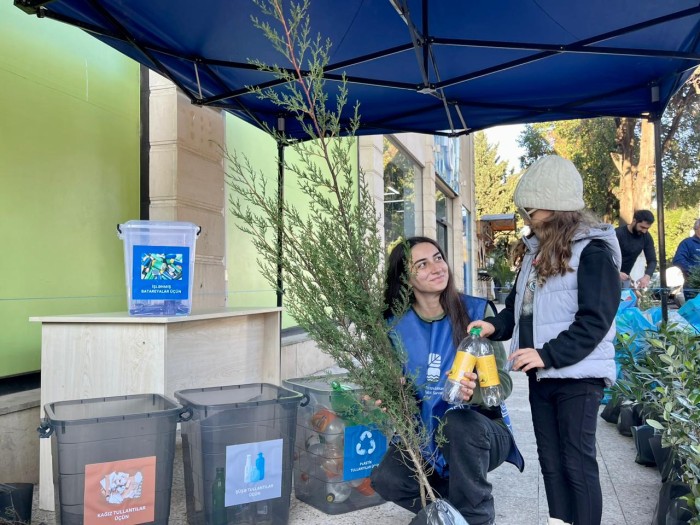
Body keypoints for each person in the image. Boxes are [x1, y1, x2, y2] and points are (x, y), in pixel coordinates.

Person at [468, 155, 621, 525]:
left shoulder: (594, 252)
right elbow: (519, 311)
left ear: (558, 210)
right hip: (543, 374)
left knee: (576, 463)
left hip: (578, 377)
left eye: (532, 212)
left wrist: (546, 354)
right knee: (551, 463)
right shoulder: (536, 254)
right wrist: (494, 326)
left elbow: (594, 321)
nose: (527, 220)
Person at [370, 236, 524, 525]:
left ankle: (476, 516)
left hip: (482, 432)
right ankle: (455, 510)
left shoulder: (476, 313)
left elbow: (502, 384)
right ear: (405, 278)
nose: (437, 267)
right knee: (387, 479)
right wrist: (387, 391)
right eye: (422, 264)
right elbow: (390, 384)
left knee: (458, 423)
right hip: (423, 437)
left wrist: (475, 391)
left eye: (438, 257)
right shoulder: (393, 326)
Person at [615, 209, 657, 289]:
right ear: (634, 221)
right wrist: (616, 273)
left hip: (625, 279)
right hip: (608, 276)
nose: (644, 231)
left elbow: (652, 260)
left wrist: (647, 276)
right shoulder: (617, 234)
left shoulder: (646, 237)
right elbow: (604, 258)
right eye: (642, 227)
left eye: (647, 228)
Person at [672, 218, 700, 300]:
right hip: (693, 287)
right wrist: (696, 272)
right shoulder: (687, 243)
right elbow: (678, 260)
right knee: (695, 312)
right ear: (697, 228)